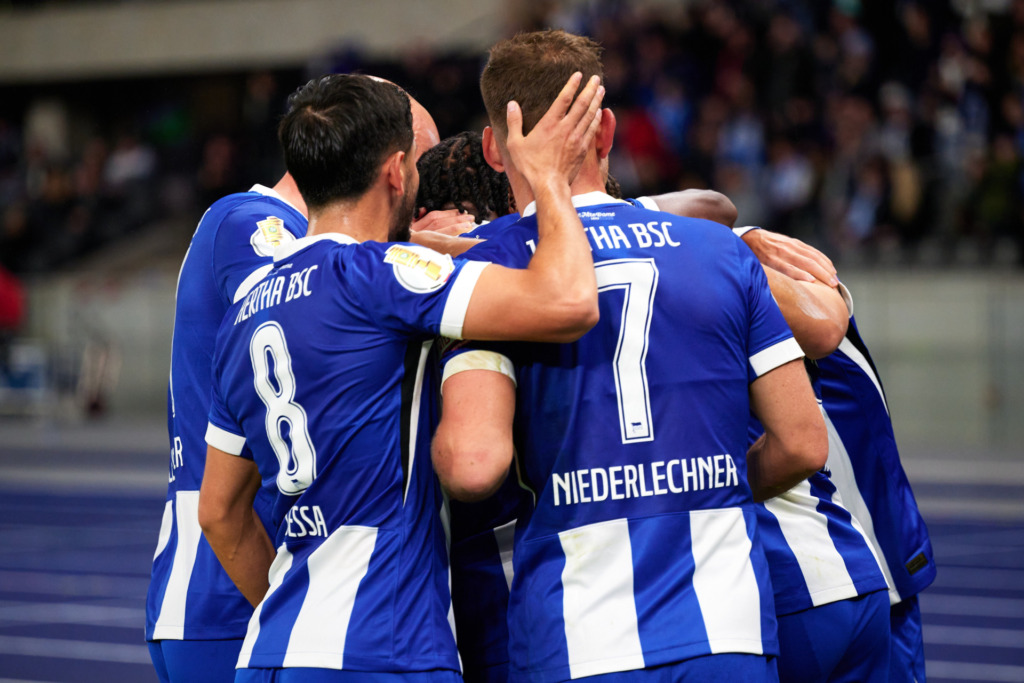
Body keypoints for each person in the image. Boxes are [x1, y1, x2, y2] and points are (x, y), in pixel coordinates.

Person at [433, 29, 828, 682]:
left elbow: (474, 466)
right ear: (607, 130)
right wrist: (699, 487)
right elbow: (804, 443)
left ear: (494, 148)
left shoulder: (487, 266)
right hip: (725, 630)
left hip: (578, 637)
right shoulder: (718, 249)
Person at [197, 71, 605, 681]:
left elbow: (218, 512)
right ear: (395, 171)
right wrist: (548, 178)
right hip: (385, 648)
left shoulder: (244, 310)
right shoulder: (378, 276)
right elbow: (569, 301)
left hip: (274, 651)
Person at [145, 79, 443, 683]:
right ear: (384, 160)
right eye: (418, 169)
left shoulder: (271, 236)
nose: (417, 195)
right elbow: (327, 307)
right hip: (229, 587)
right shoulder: (253, 225)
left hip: (243, 579)